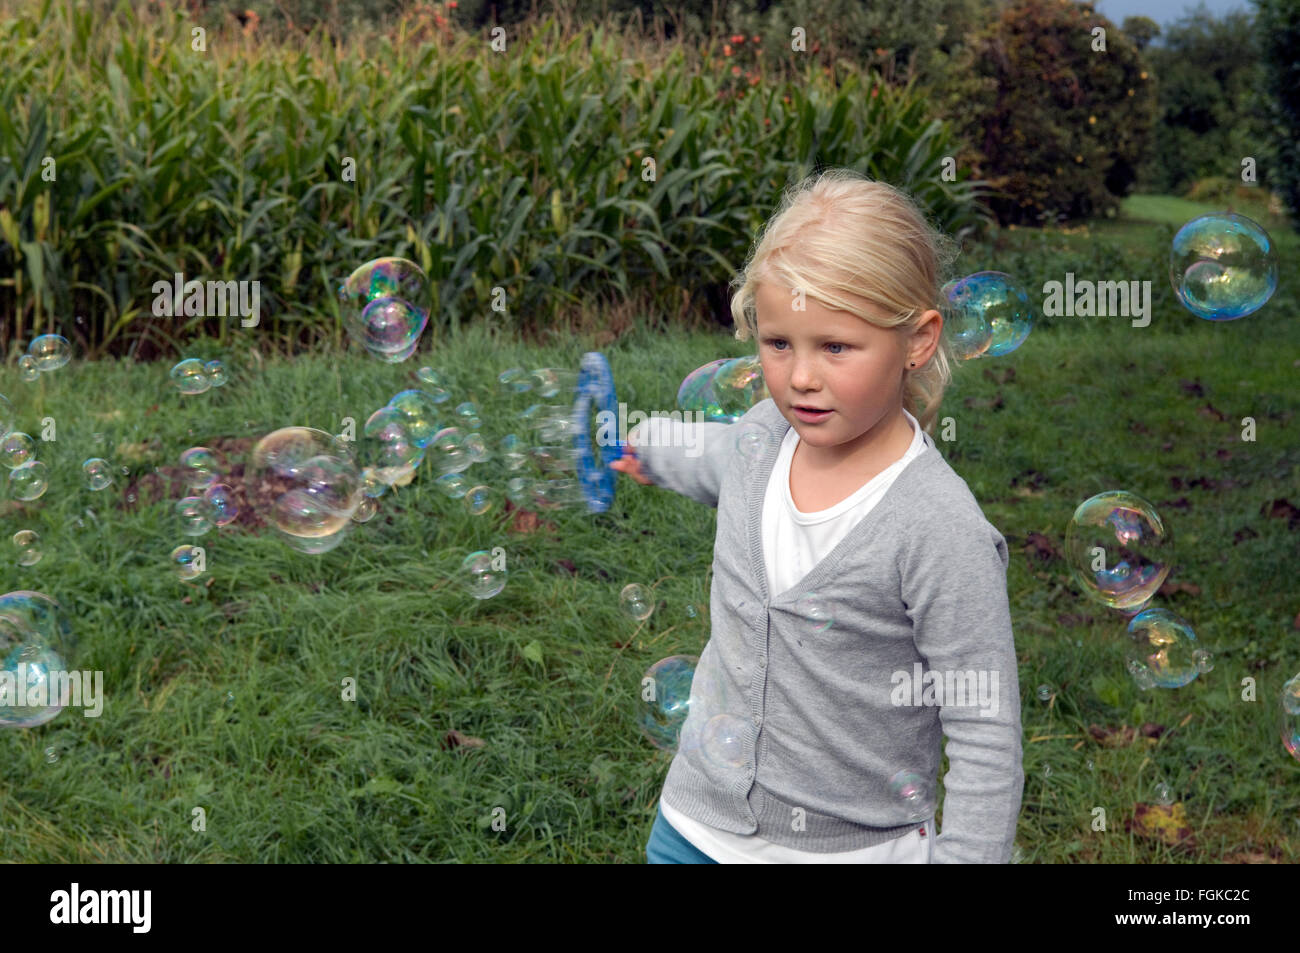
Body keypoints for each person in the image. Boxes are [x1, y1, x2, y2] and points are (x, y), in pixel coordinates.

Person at [610, 169, 1023, 864]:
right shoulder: (763, 437)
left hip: (850, 848)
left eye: (835, 347)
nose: (801, 377)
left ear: (918, 340)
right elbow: (713, 456)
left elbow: (984, 727)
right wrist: (647, 445)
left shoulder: (937, 526)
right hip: (696, 825)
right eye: (779, 343)